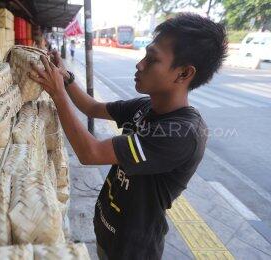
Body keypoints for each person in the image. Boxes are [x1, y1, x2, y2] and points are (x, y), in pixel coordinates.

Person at [28, 13, 227, 259]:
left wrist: (58, 94)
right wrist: (66, 78)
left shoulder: (182, 133)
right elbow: (91, 107)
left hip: (133, 249)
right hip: (107, 228)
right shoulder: (145, 106)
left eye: (152, 59)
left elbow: (90, 153)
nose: (140, 64)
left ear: (184, 74)